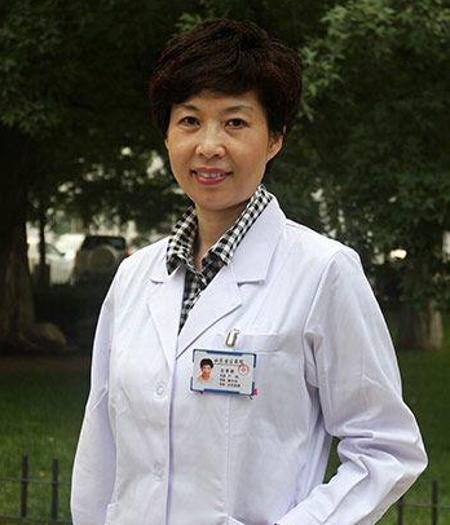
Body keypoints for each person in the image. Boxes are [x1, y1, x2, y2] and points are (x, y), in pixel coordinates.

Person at [70, 19, 427, 525]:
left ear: (275, 137)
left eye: (235, 122)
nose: (208, 146)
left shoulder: (323, 271)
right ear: (167, 135)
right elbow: (101, 442)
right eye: (189, 120)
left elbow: (386, 448)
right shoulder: (134, 276)